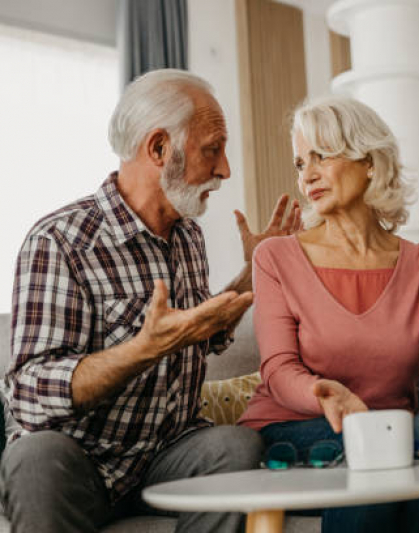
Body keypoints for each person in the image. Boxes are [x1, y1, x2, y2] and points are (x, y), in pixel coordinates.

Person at [1, 69, 301, 533]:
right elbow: (28, 393)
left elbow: (196, 333)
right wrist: (144, 348)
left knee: (235, 448)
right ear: (159, 148)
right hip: (79, 460)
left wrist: (255, 273)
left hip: (164, 455)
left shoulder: (188, 236)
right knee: (34, 457)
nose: (225, 169)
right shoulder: (59, 241)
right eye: (212, 148)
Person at [237, 96, 419, 533]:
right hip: (299, 428)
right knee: (373, 447)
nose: (306, 175)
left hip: (393, 430)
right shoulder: (277, 257)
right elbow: (277, 368)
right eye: (299, 163)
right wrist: (323, 394)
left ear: (369, 161)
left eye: (321, 156)